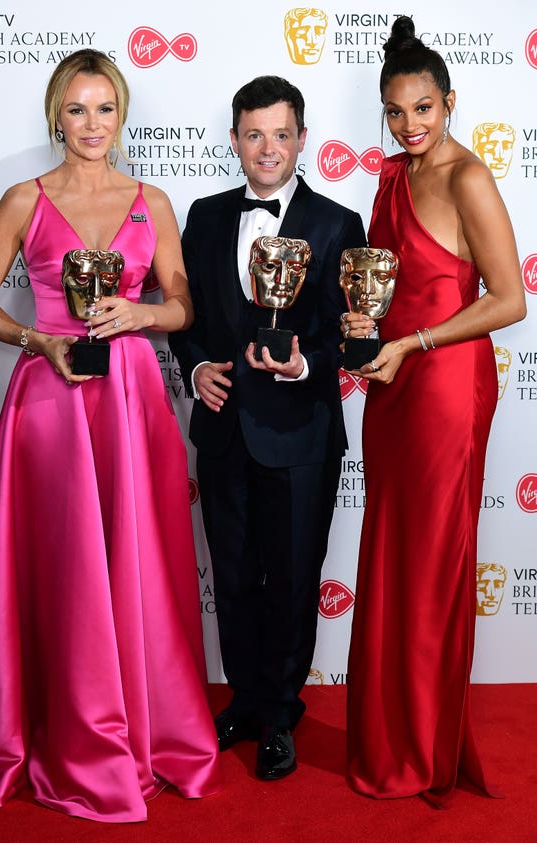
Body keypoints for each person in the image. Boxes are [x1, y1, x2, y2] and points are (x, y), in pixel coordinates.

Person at [0, 49, 221, 823]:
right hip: (50, 400)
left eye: (106, 108)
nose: (92, 124)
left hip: (129, 397)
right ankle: (51, 728)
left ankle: (138, 728)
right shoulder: (26, 197)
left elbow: (182, 301)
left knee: (133, 559)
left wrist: (143, 314)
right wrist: (35, 339)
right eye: (78, 109)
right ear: (58, 114)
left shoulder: (151, 199)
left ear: (123, 115)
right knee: (59, 566)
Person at [343, 16, 526, 806]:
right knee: (391, 549)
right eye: (395, 112)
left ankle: (423, 747)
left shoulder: (467, 177)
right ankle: (390, 734)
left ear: (450, 102)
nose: (410, 125)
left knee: (432, 559)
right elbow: (389, 289)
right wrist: (366, 326)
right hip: (392, 379)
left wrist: (413, 340)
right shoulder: (388, 177)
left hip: (447, 384)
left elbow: (510, 299)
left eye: (424, 109)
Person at [169, 75, 366, 781]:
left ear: (303, 140)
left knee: (289, 578)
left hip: (302, 431)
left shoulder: (339, 223)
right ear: (234, 141)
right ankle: (247, 700)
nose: (268, 147)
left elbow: (350, 332)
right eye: (254, 134)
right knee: (232, 576)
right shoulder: (205, 214)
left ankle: (282, 712)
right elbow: (184, 315)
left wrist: (307, 363)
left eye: (282, 133)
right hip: (223, 429)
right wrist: (194, 374)